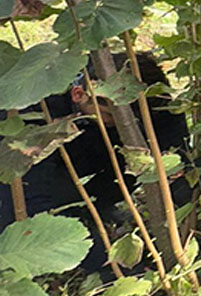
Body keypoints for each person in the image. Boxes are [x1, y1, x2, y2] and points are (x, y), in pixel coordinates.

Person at [0, 52, 188, 273]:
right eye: (110, 117)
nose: (119, 126)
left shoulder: (148, 106)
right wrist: (113, 269)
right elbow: (28, 198)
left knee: (134, 152)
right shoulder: (36, 105)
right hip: (18, 172)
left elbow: (178, 152)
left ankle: (93, 209)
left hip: (85, 157)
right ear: (79, 94)